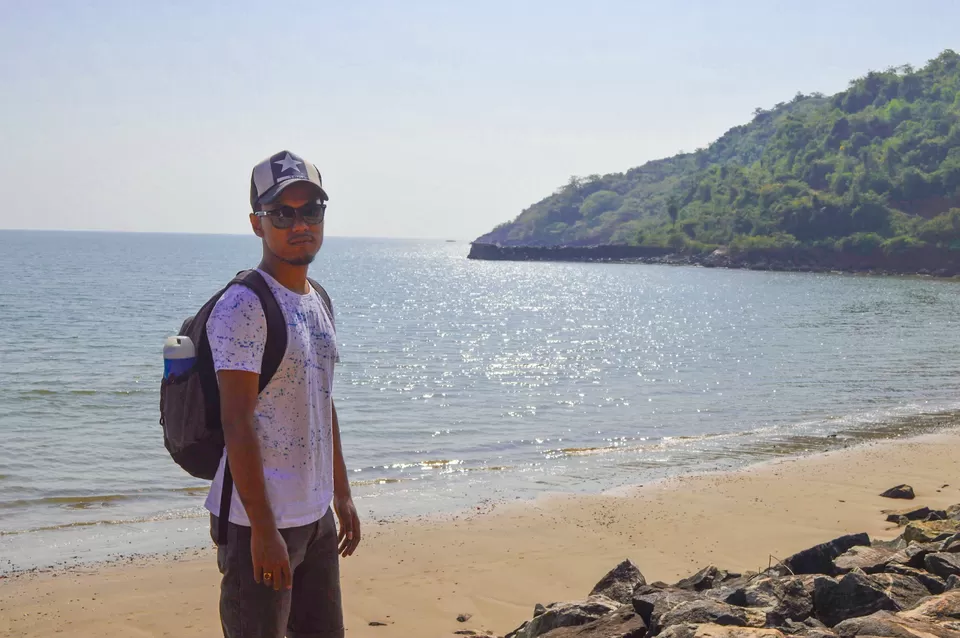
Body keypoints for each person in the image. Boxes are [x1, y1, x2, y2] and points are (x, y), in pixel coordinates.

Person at [205, 150, 360, 638]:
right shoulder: (244, 304)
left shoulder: (319, 299)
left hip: (315, 517)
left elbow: (322, 403)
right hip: (259, 522)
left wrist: (343, 494)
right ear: (257, 224)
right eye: (282, 213)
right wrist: (264, 530)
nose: (300, 224)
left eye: (310, 210)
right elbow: (237, 422)